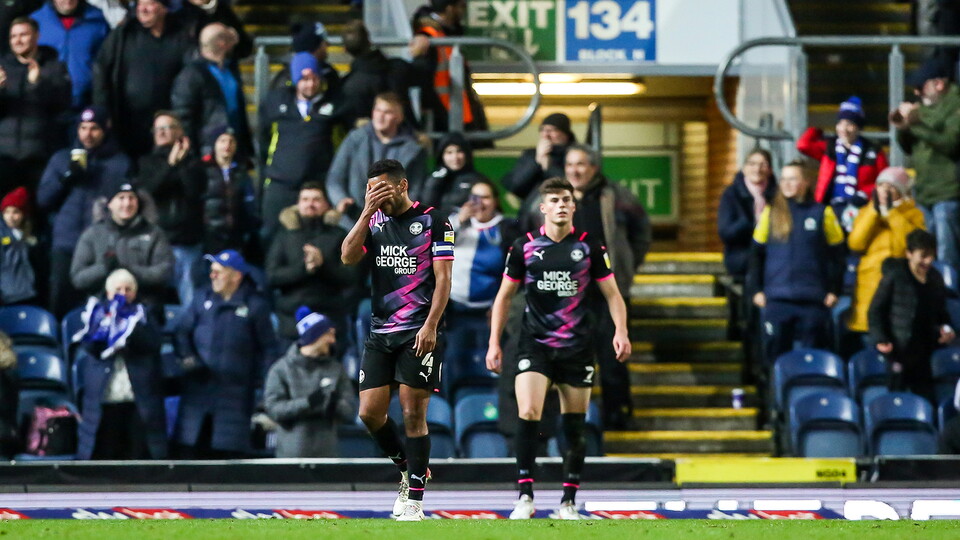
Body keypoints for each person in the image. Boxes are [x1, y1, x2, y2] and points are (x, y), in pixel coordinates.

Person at [486, 177, 630, 520]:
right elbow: (504, 297)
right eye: (555, 200)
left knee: (574, 425)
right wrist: (495, 342)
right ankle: (525, 496)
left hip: (577, 347)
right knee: (529, 413)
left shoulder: (590, 247)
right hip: (533, 344)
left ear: (574, 206)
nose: (562, 205)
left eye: (567, 199)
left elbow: (613, 294)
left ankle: (568, 501)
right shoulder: (524, 247)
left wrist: (621, 331)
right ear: (543, 208)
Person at [340, 159, 454, 521]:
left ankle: (415, 500)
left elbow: (444, 279)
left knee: (412, 413)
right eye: (370, 189)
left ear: (402, 186)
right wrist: (365, 211)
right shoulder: (373, 220)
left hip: (419, 330)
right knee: (369, 413)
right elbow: (346, 257)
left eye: (381, 189)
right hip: (381, 331)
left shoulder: (435, 221)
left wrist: (431, 326)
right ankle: (407, 468)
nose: (375, 195)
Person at [521, 144, 650, 428]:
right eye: (570, 165)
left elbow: (642, 233)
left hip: (605, 292)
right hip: (566, 296)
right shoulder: (556, 199)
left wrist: (625, 267)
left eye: (581, 165)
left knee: (613, 356)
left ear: (593, 167)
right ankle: (568, 423)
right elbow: (529, 226)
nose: (575, 171)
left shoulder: (617, 196)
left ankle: (617, 418)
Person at [173, 249, 279, 459]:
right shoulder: (201, 297)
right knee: (190, 452)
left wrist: (265, 388)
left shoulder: (255, 306)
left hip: (235, 394)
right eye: (212, 271)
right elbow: (181, 333)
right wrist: (189, 359)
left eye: (218, 272)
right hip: (198, 390)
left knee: (228, 457)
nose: (212, 275)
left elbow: (269, 349)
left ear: (236, 275)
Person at [748, 159, 845, 365]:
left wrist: (834, 290)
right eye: (783, 179)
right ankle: (775, 397)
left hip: (813, 300)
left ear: (806, 182)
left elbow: (838, 256)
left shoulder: (822, 213)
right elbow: (756, 254)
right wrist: (757, 290)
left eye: (792, 179)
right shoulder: (771, 212)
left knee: (813, 361)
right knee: (775, 360)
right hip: (777, 299)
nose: (786, 184)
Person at [37, 105, 130, 317]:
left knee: (99, 305)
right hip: (65, 242)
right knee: (60, 299)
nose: (88, 134)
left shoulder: (119, 162)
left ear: (105, 129)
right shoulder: (61, 158)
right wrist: (67, 178)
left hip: (101, 244)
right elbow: (43, 200)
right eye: (83, 128)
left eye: (94, 128)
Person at [73, 268, 167, 459]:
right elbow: (90, 346)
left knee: (138, 455)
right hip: (104, 399)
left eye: (128, 289)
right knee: (106, 455)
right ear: (108, 292)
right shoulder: (96, 313)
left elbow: (153, 343)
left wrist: (129, 331)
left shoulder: (146, 313)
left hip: (138, 401)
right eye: (118, 290)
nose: (123, 294)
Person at [92, 0, 196, 158]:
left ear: (164, 9)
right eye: (140, 4)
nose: (143, 9)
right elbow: (101, 70)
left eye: (150, 4)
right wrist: (103, 110)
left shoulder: (181, 36)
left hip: (168, 124)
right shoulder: (124, 34)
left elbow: (191, 77)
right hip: (127, 123)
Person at [258, 52, 342, 242]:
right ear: (295, 79)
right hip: (280, 185)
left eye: (314, 78)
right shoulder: (276, 102)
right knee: (271, 238)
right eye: (304, 79)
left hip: (315, 188)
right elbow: (263, 140)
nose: (310, 84)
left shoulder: (336, 105)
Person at [445, 179, 518, 397]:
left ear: (495, 201)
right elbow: (429, 250)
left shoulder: (507, 228)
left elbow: (513, 271)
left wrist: (500, 305)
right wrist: (459, 221)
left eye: (485, 197)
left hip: (491, 310)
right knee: (452, 361)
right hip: (455, 310)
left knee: (497, 362)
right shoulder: (454, 223)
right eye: (474, 197)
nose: (479, 203)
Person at [890, 55, 960, 271]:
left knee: (947, 252)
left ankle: (951, 295)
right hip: (924, 191)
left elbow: (950, 143)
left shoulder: (955, 107)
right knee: (924, 250)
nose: (917, 92)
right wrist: (903, 129)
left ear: (939, 84)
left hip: (948, 192)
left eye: (921, 87)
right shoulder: (922, 109)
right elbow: (909, 147)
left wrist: (915, 124)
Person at [869, 229, 955, 403]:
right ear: (909, 254)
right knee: (896, 399)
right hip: (898, 350)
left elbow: (941, 314)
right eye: (923, 256)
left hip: (924, 352)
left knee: (926, 401)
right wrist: (881, 338)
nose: (928, 261)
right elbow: (876, 310)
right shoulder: (895, 275)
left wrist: (947, 329)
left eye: (932, 255)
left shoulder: (935, 278)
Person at [266, 182, 353, 349]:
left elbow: (351, 277)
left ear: (327, 204)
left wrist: (323, 266)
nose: (310, 204)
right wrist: (303, 269)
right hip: (291, 322)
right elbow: (272, 276)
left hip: (329, 319)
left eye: (316, 199)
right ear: (298, 204)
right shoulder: (284, 235)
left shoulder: (340, 236)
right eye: (305, 199)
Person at [264, 307, 356, 458]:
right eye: (329, 335)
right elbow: (273, 409)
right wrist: (308, 403)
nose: (333, 341)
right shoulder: (281, 369)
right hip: (291, 456)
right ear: (315, 336)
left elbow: (350, 410)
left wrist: (334, 406)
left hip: (327, 454)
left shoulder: (336, 369)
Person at [846, 167, 925, 344]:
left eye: (891, 187)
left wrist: (892, 213)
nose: (885, 191)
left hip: (900, 289)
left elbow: (911, 245)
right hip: (870, 286)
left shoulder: (913, 214)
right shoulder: (866, 212)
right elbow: (855, 243)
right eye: (881, 186)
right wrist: (874, 212)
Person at [135, 111, 206, 306]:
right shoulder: (146, 163)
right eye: (158, 129)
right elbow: (150, 191)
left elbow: (194, 191)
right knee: (153, 299)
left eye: (168, 128)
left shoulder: (194, 163)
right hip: (157, 242)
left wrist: (181, 164)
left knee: (190, 300)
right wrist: (170, 164)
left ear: (180, 132)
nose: (162, 132)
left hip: (187, 242)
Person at [326, 92, 427, 227]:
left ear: (399, 117)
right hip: (351, 220)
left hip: (392, 223)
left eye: (387, 112)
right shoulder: (355, 138)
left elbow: (415, 188)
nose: (380, 116)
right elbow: (335, 177)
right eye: (377, 110)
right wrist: (341, 200)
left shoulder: (413, 150)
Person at [70, 181, 174, 309]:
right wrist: (104, 268)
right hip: (102, 309)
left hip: (145, 307)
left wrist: (130, 270)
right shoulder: (93, 234)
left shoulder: (154, 233)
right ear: (110, 203)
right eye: (121, 198)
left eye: (132, 198)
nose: (127, 203)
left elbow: (165, 272)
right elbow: (78, 278)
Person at [0, 17, 71, 194]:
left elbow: (62, 105)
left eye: (23, 34)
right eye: (13, 36)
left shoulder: (54, 67)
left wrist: (37, 85)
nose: (17, 40)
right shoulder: (2, 68)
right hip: (4, 157)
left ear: (37, 36)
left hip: (39, 157)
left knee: (39, 212)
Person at [797, 96, 887, 231]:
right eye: (841, 124)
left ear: (858, 128)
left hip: (861, 207)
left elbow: (884, 181)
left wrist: (864, 194)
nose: (844, 129)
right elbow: (803, 145)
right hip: (830, 206)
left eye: (850, 124)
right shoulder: (829, 147)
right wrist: (817, 131)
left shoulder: (873, 150)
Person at [171, 22, 252, 161]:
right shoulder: (192, 74)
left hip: (233, 145)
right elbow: (183, 116)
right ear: (222, 43)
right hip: (207, 149)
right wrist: (192, 152)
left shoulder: (230, 69)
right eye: (228, 38)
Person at [409, 0, 488, 135]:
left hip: (453, 110)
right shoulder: (428, 37)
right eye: (462, 6)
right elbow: (426, 81)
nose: (464, 12)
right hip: (442, 115)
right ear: (450, 9)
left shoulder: (447, 32)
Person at [30, 0, 108, 109]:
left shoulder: (97, 21)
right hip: (44, 103)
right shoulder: (36, 22)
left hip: (85, 103)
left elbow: (105, 63)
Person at [718, 149, 778, 282]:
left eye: (763, 164)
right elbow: (725, 232)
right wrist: (749, 224)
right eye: (752, 164)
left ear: (770, 170)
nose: (757, 169)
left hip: (772, 256)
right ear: (744, 168)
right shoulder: (731, 194)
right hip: (742, 256)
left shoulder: (778, 195)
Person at [338, 19, 409, 129]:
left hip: (373, 140)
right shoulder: (399, 67)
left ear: (345, 50)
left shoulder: (349, 85)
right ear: (369, 41)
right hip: (405, 134)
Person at [200, 125, 258, 257]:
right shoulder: (203, 170)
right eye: (222, 141)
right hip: (209, 236)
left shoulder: (242, 172)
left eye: (231, 141)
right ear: (214, 144)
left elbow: (249, 203)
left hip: (236, 236)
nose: (227, 145)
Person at [501, 113, 575, 201]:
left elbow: (573, 186)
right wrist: (537, 160)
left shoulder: (574, 155)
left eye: (552, 130)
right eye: (542, 130)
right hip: (532, 212)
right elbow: (515, 185)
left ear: (565, 134)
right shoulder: (530, 155)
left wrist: (548, 168)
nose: (546, 135)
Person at [419, 132, 487, 216]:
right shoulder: (433, 178)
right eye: (449, 152)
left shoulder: (478, 180)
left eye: (459, 151)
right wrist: (434, 182)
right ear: (441, 156)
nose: (455, 157)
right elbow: (425, 211)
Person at [268, 20, 338, 94]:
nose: (328, 45)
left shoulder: (328, 73)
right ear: (315, 45)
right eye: (324, 42)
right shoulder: (285, 80)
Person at [0, 186, 38, 304]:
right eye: (7, 212)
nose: (10, 217)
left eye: (15, 212)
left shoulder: (31, 237)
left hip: (29, 294)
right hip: (7, 295)